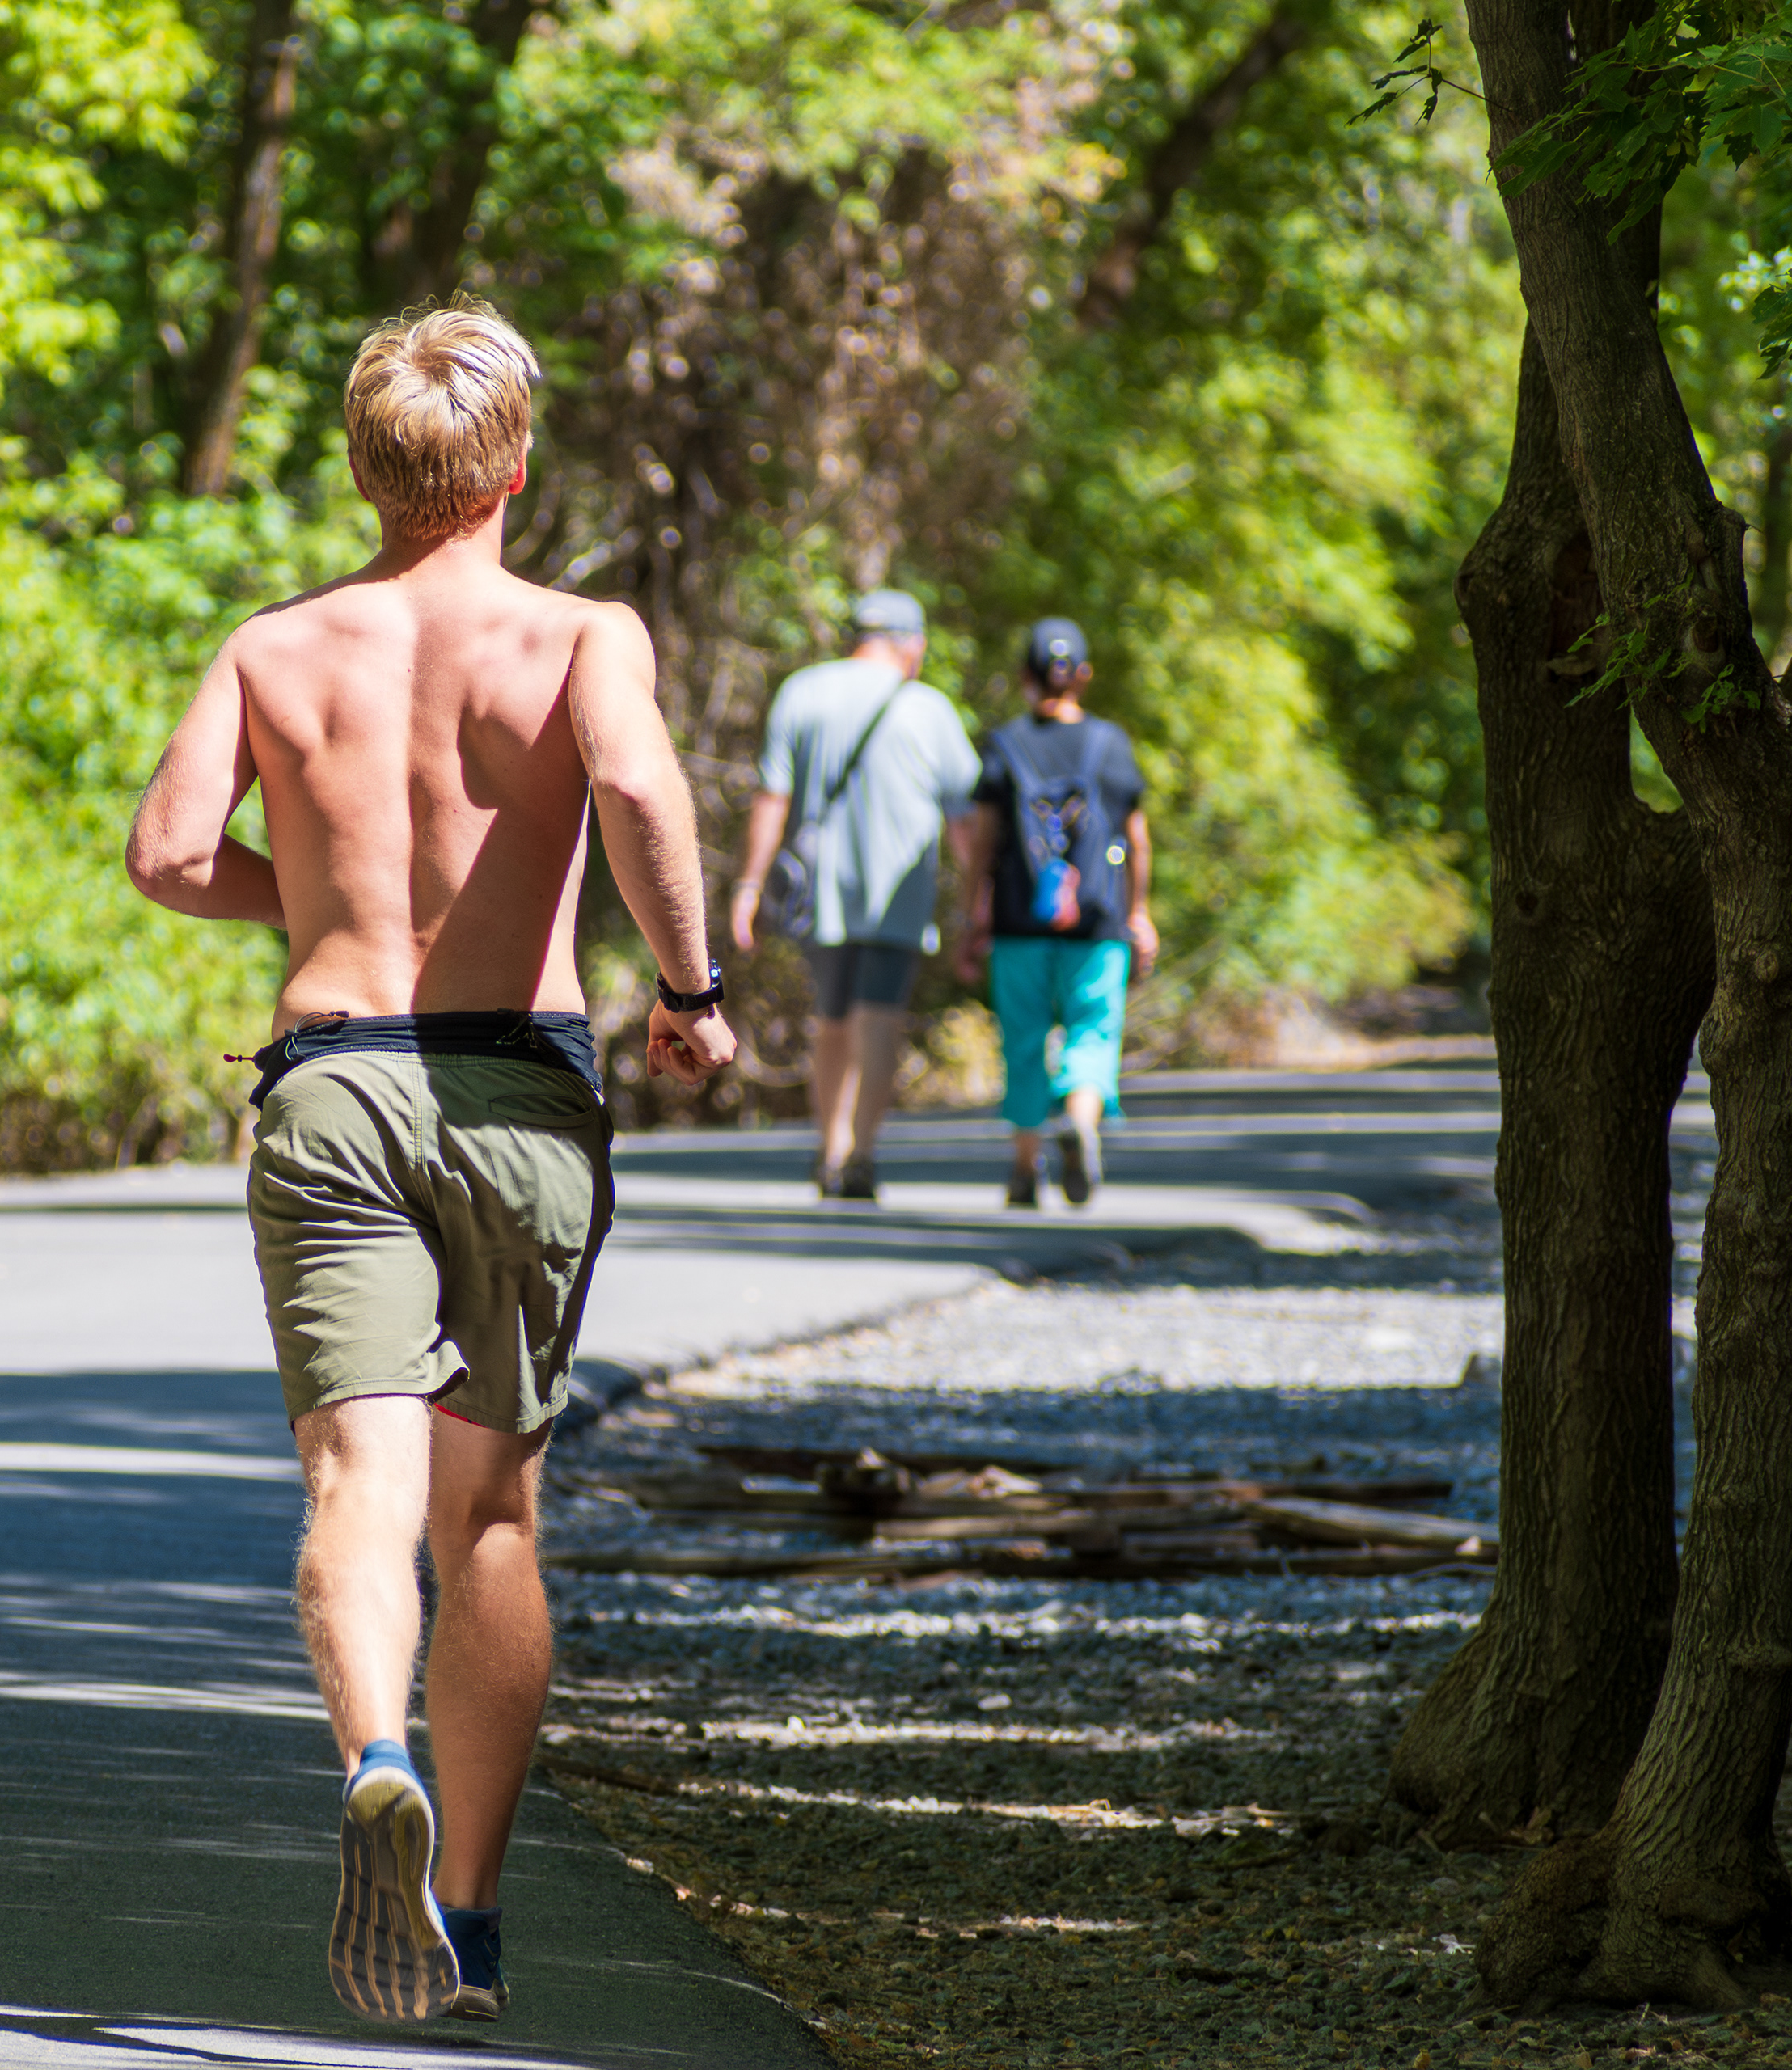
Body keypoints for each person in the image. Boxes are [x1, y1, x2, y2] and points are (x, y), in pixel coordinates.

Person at [126, 299, 735, 2028]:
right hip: (517, 1087)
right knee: (492, 1511)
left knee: (353, 1483)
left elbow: (170, 857)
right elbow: (637, 788)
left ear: (361, 465)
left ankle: (372, 1749)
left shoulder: (274, 645)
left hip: (332, 1083)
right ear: (515, 468)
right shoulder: (579, 634)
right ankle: (464, 1908)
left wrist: (314, 899)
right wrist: (691, 991)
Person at [728, 589, 981, 1201]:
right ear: (910, 643)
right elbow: (965, 818)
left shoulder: (803, 692)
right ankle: (862, 1154)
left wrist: (749, 886)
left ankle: (830, 1147)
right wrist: (978, 898)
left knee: (831, 1018)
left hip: (820, 892)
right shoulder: (930, 708)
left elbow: (772, 797)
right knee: (880, 1017)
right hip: (898, 891)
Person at [953, 617, 1155, 1210]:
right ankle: (1081, 1118)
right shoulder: (1110, 744)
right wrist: (1139, 912)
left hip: (1020, 921)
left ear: (1023, 677)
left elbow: (985, 842)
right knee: (1094, 1028)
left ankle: (1023, 1169)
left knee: (1022, 1038)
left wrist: (974, 917)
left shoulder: (1005, 744)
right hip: (1098, 922)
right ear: (1084, 676)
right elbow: (1136, 840)